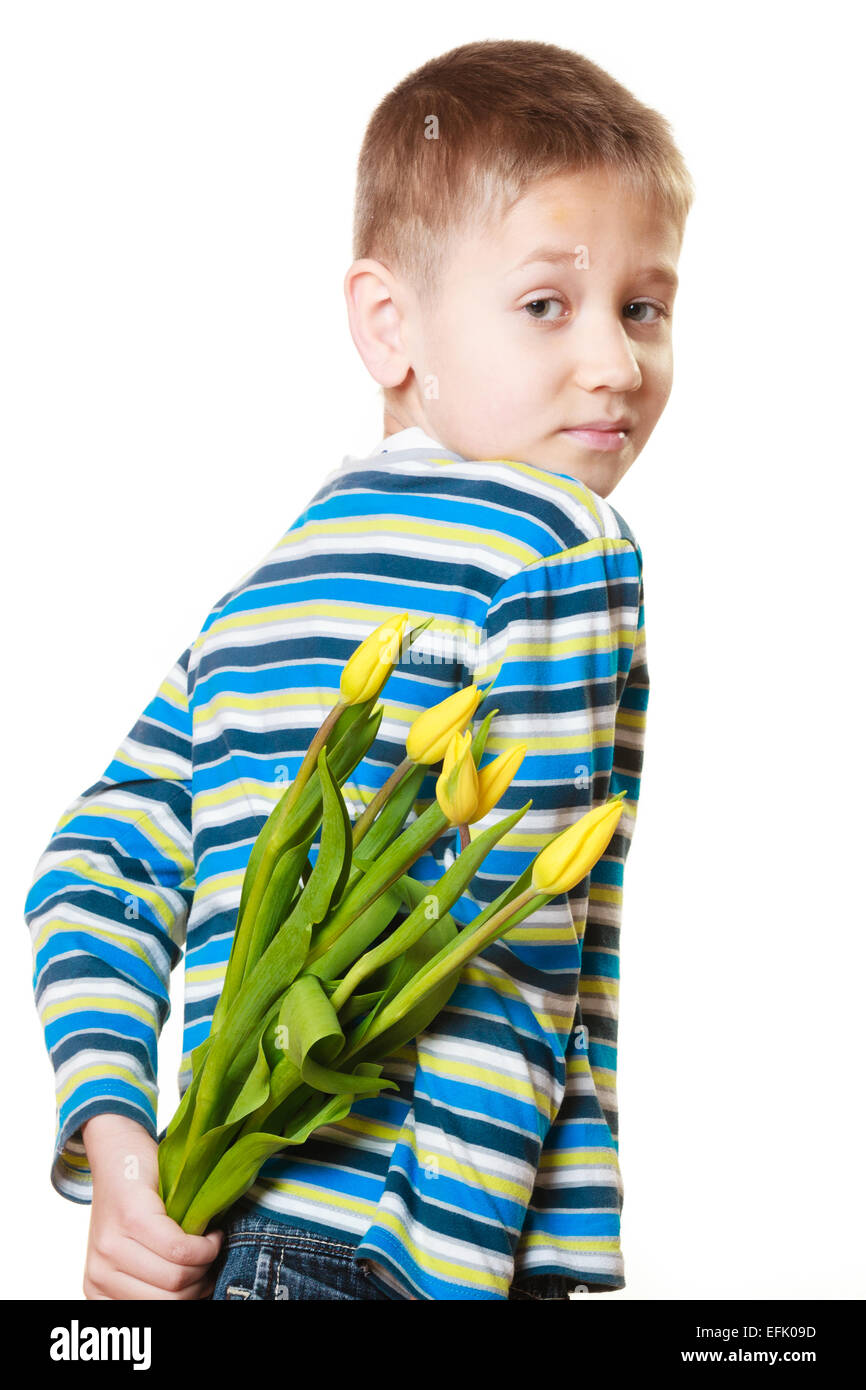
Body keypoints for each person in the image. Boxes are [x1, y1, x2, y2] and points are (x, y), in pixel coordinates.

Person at [24, 38, 693, 1301]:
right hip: (413, 1243)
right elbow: (506, 952)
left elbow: (91, 867)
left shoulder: (261, 592)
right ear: (389, 323)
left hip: (216, 1235)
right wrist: (445, 1278)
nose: (614, 361)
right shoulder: (555, 544)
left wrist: (120, 1148)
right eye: (546, 304)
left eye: (643, 306)